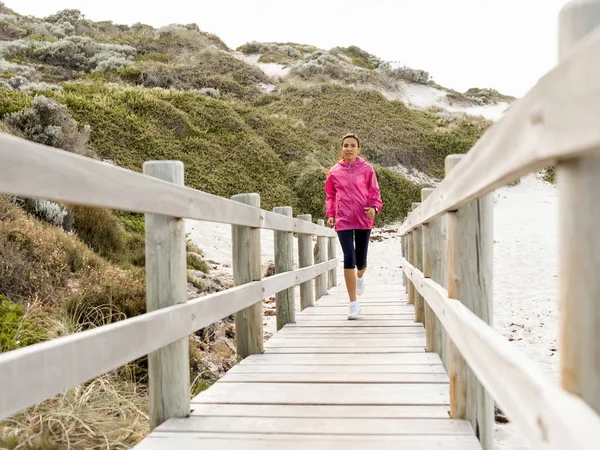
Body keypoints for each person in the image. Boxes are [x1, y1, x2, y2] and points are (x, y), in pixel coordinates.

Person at [325, 133, 383, 319]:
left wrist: (375, 208)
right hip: (343, 220)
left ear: (359, 149)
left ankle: (359, 277)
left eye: (352, 145)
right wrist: (331, 214)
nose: (348, 148)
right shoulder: (334, 171)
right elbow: (330, 196)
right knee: (348, 257)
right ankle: (353, 304)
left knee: (361, 262)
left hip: (363, 218)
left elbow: (374, 192)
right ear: (341, 149)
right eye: (345, 145)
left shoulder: (367, 169)